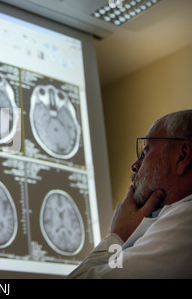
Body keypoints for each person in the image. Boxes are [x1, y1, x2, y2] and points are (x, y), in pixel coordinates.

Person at [67, 109, 192, 278]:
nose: (135, 165)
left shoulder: (184, 221)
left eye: (145, 152)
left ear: (183, 155)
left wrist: (116, 236)